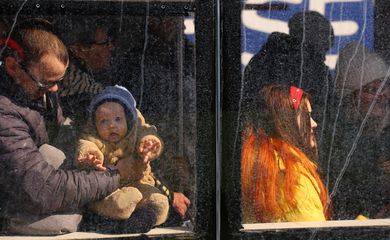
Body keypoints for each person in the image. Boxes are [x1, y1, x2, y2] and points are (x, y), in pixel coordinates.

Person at [0, 18, 137, 235]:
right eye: (46, 83)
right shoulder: (5, 113)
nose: (55, 90)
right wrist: (116, 175)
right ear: (13, 67)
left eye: (59, 82)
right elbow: (42, 188)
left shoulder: (40, 97)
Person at [75, 85, 169, 228]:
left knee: (159, 201)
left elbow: (147, 132)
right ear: (95, 124)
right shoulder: (95, 138)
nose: (112, 125)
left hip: (138, 184)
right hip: (107, 188)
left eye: (118, 119)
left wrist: (150, 143)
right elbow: (86, 143)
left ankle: (144, 218)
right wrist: (90, 155)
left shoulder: (135, 134)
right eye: (103, 121)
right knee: (118, 203)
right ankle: (115, 218)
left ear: (128, 119)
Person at [241, 85, 331, 223]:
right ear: (287, 121)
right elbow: (315, 235)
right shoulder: (294, 177)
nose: (314, 124)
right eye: (307, 116)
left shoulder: (256, 164)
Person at [328, 42, 390, 219]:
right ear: (350, 97)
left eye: (385, 86)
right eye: (372, 89)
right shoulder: (336, 138)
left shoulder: (385, 133)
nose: (382, 95)